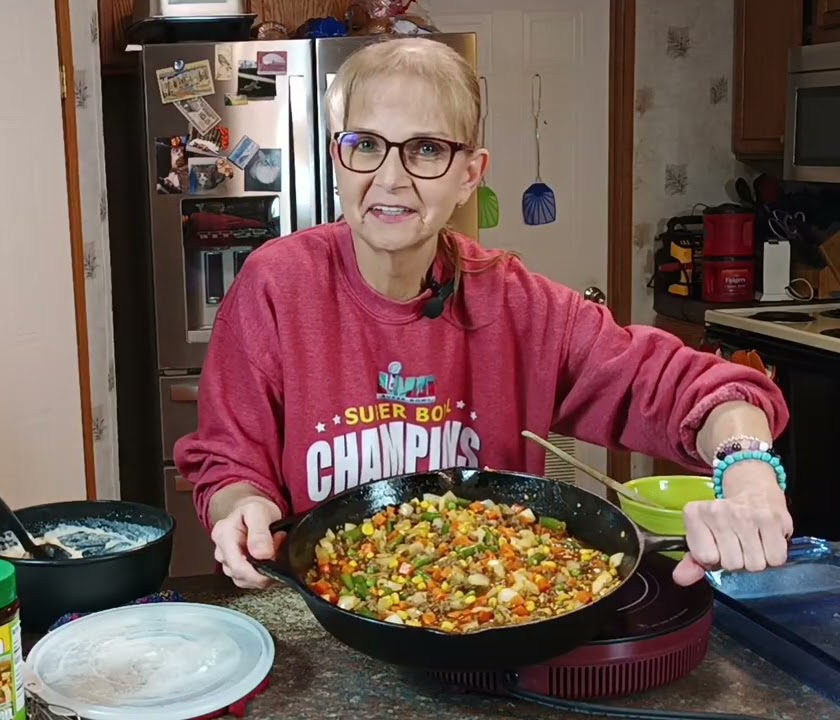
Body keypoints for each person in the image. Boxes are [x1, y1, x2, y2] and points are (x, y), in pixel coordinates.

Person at [173, 38, 793, 591]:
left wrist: (747, 471)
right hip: (324, 619)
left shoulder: (518, 306)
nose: (390, 178)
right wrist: (240, 507)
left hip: (490, 629)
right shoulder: (275, 286)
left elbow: (698, 389)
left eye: (426, 149)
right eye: (365, 145)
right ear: (338, 157)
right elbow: (229, 461)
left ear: (470, 175)